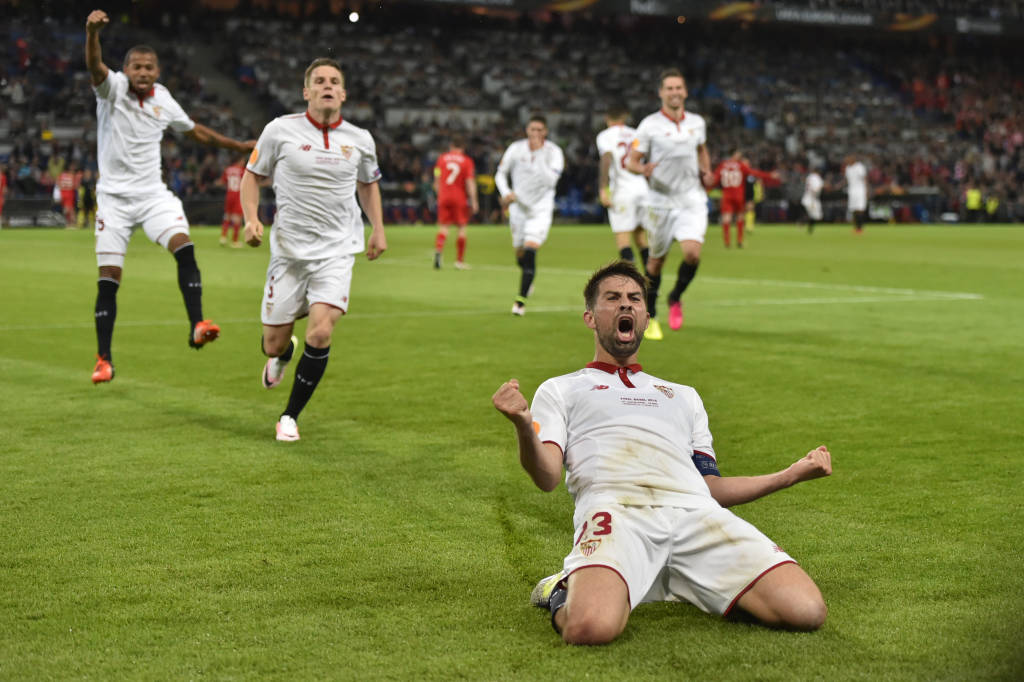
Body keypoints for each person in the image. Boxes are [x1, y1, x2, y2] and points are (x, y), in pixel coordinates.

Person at [492, 261, 832, 646]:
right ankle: (561, 589)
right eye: (613, 298)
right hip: (616, 513)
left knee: (806, 611)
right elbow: (547, 476)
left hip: (695, 515)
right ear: (589, 316)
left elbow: (712, 488)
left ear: (645, 315)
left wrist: (791, 474)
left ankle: (685, 581)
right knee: (589, 628)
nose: (626, 305)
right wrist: (522, 423)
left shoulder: (683, 396)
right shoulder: (561, 390)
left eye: (635, 299)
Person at [85, 9, 254, 384]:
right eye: (136, 66)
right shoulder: (111, 89)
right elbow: (95, 67)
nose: (142, 72)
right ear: (125, 70)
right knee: (109, 276)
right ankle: (103, 359)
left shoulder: (163, 97)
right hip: (113, 199)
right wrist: (91, 33)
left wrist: (238, 146)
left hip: (152, 195)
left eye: (149, 67)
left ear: (157, 72)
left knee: (184, 246)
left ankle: (197, 324)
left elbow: (196, 132)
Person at [241, 57, 387, 442]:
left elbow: (368, 184)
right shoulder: (279, 130)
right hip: (288, 253)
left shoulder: (360, 139)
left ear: (343, 93)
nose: (327, 85)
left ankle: (289, 415)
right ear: (306, 92)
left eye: (334, 81)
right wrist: (250, 219)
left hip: (337, 251)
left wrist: (378, 229)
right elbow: (252, 176)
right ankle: (283, 353)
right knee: (272, 342)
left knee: (321, 331)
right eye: (319, 80)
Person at [627, 68, 713, 337]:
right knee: (655, 264)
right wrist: (643, 170)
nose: (675, 92)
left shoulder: (697, 123)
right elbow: (631, 160)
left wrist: (707, 172)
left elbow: (701, 149)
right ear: (661, 93)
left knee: (692, 253)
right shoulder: (649, 125)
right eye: (670, 88)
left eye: (679, 88)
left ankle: (675, 296)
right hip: (660, 203)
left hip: (691, 199)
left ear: (685, 92)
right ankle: (651, 316)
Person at [495, 115, 565, 316]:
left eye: (539, 130)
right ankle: (528, 280)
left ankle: (520, 302)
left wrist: (540, 154)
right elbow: (500, 173)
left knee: (530, 249)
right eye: (532, 129)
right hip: (518, 209)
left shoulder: (554, 152)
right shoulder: (516, 149)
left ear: (545, 132)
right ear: (527, 130)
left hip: (540, 210)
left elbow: (550, 181)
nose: (535, 134)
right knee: (520, 254)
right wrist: (506, 192)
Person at [595, 105, 649, 266]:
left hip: (622, 191)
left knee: (623, 239)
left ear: (606, 118)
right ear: (625, 117)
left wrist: (603, 189)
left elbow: (606, 159)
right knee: (641, 239)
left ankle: (631, 283)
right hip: (643, 189)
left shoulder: (605, 135)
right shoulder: (636, 134)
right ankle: (652, 285)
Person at [711, 149, 779, 248]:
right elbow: (754, 172)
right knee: (740, 216)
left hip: (726, 195)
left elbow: (715, 179)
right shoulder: (740, 165)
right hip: (738, 195)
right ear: (734, 154)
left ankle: (727, 241)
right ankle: (739, 240)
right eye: (738, 154)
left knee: (727, 218)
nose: (739, 156)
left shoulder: (723, 165)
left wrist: (707, 187)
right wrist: (769, 175)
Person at [432, 136, 478, 269]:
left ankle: (439, 250)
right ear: (463, 148)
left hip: (444, 196)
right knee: (462, 228)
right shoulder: (467, 161)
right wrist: (474, 200)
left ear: (451, 146)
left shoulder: (441, 158)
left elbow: (436, 177)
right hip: (459, 198)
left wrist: (438, 193)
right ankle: (459, 261)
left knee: (444, 227)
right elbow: (470, 182)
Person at [218, 156, 246, 247]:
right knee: (237, 218)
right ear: (240, 160)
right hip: (238, 195)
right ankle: (235, 241)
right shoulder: (242, 170)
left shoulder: (228, 169)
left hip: (229, 195)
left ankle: (223, 237)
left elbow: (222, 181)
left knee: (227, 216)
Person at [843, 154, 868, 233]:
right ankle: (856, 227)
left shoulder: (860, 167)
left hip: (860, 190)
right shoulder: (847, 168)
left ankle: (860, 227)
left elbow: (864, 179)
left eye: (848, 159)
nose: (846, 160)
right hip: (851, 190)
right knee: (853, 209)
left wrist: (866, 190)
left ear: (853, 159)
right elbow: (847, 180)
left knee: (860, 208)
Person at [801, 166, 824, 234]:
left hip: (807, 198)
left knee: (813, 215)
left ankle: (803, 223)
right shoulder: (816, 178)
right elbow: (816, 188)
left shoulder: (810, 176)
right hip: (812, 199)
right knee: (815, 215)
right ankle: (803, 224)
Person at [57, 162, 79, 227]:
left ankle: (68, 223)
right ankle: (72, 224)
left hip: (63, 193)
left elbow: (58, 184)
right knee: (71, 209)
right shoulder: (72, 175)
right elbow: (76, 185)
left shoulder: (61, 175)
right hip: (70, 193)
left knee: (66, 209)